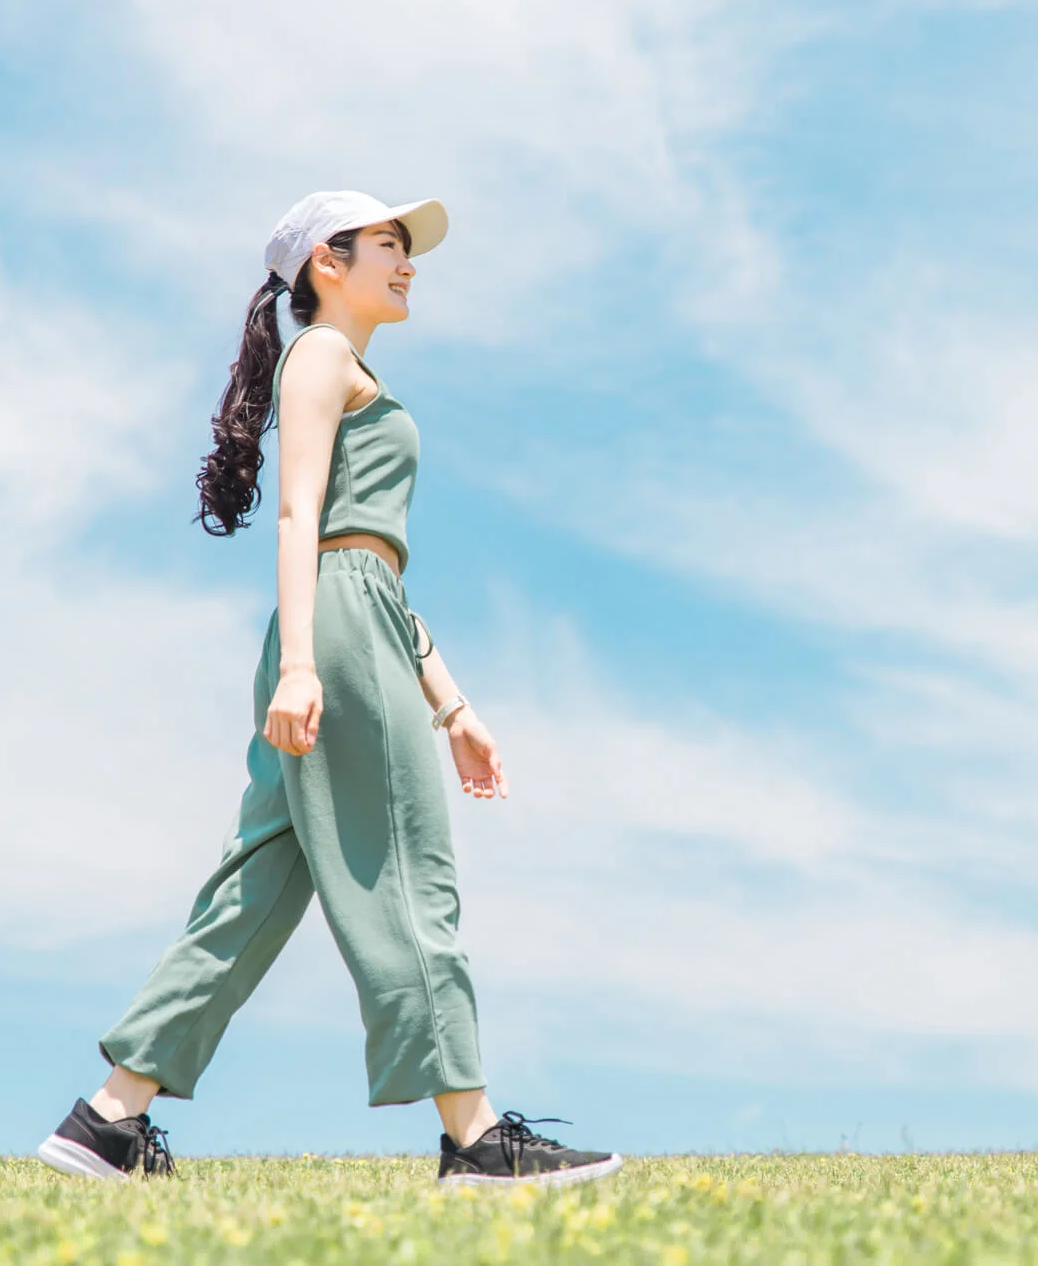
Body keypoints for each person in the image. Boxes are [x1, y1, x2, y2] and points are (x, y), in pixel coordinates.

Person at [34, 191, 621, 1188]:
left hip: (357, 619)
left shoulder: (346, 367)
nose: (407, 262)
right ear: (325, 265)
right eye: (389, 245)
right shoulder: (320, 360)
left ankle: (107, 1121)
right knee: (405, 865)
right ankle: (475, 1138)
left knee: (259, 883)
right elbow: (301, 518)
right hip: (334, 631)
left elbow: (375, 566)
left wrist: (452, 704)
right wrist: (303, 664)